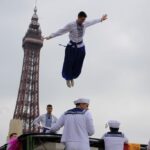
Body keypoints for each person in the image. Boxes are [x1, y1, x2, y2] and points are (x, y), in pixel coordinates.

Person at [44, 11, 108, 88]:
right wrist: (50, 36)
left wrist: (101, 19)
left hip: (81, 48)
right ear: (78, 17)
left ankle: (72, 77)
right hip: (72, 48)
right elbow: (61, 31)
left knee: (78, 64)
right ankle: (68, 78)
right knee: (69, 64)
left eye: (84, 20)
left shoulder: (85, 23)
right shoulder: (71, 25)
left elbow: (92, 22)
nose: (83, 21)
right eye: (81, 19)